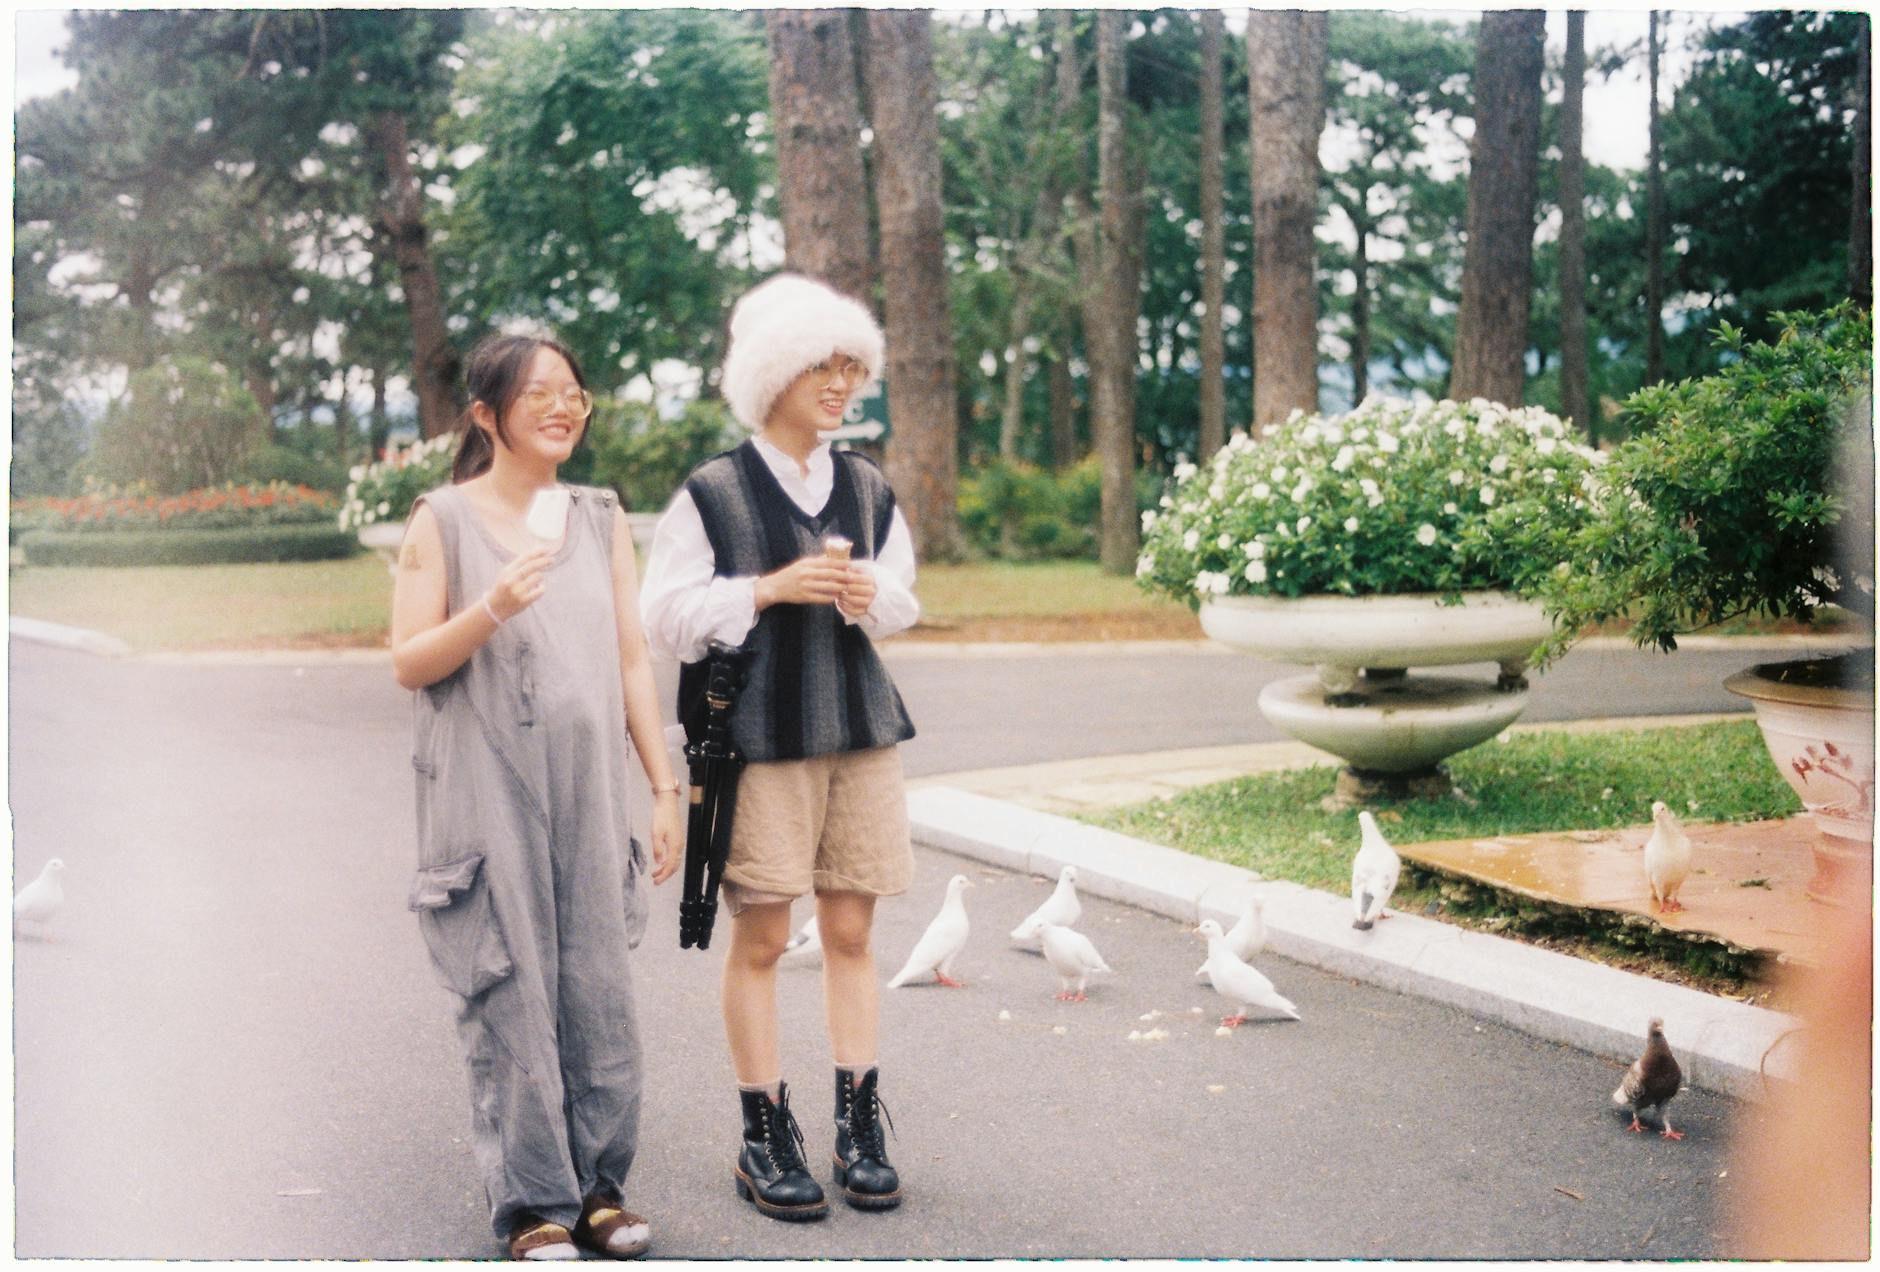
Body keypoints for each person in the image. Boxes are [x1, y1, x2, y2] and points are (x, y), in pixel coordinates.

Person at [390, 333, 683, 1260]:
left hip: (587, 789)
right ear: (487, 416)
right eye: (538, 395)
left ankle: (599, 1192)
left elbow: (631, 659)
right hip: (485, 789)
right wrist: (492, 609)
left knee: (596, 983)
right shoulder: (443, 519)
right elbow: (408, 663)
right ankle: (531, 1206)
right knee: (509, 981)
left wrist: (664, 786)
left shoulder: (599, 517)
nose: (563, 408)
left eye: (574, 393)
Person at [640, 273, 921, 1221]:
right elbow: (663, 618)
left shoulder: (868, 484)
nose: (841, 385)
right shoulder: (712, 491)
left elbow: (903, 596)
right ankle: (763, 1133)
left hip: (859, 728)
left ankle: (859, 1125)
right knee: (762, 936)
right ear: (771, 377)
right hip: (759, 738)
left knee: (852, 931)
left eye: (851, 368)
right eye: (820, 367)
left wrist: (869, 597)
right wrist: (764, 589)